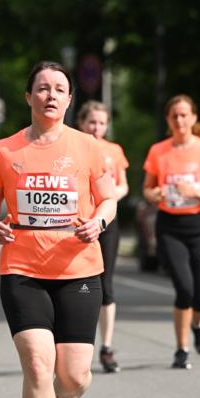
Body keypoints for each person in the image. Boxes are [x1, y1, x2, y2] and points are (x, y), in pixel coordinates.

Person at [0, 61, 117, 398]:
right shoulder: (5, 150)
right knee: (38, 365)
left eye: (59, 88)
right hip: (22, 267)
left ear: (70, 99)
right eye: (42, 88)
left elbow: (109, 199)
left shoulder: (88, 147)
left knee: (73, 376)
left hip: (79, 268)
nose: (51, 95)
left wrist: (98, 222)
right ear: (28, 97)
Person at [142, 95, 200, 370]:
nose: (179, 120)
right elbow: (147, 189)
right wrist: (154, 194)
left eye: (184, 115)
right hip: (170, 227)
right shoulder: (158, 151)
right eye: (174, 115)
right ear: (168, 119)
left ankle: (197, 325)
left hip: (199, 226)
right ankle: (181, 349)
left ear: (193, 118)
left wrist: (195, 192)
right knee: (184, 289)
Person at [77, 100, 129, 373]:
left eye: (101, 123)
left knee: (106, 285)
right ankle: (76, 346)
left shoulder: (114, 151)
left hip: (106, 222)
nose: (96, 128)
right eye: (92, 122)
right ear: (82, 123)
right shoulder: (73, 147)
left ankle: (106, 347)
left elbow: (123, 186)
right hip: (78, 223)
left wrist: (108, 196)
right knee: (80, 285)